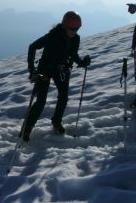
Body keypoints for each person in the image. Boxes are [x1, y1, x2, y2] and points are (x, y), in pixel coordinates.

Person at [21, 11, 91, 142]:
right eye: (72, 29)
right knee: (41, 101)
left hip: (61, 70)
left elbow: (73, 54)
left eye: (77, 29)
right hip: (45, 69)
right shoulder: (53, 35)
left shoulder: (75, 38)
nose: (75, 31)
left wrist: (82, 62)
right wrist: (32, 70)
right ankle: (27, 128)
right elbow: (33, 46)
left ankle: (56, 121)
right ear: (65, 26)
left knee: (63, 97)